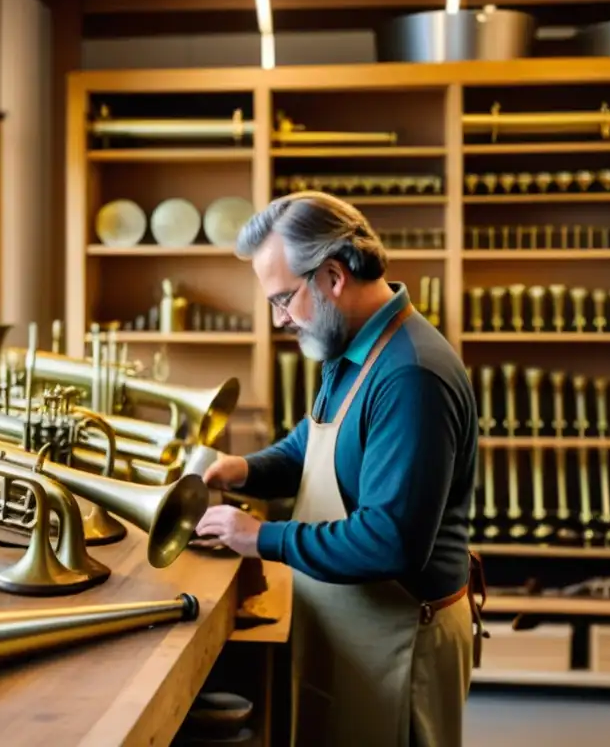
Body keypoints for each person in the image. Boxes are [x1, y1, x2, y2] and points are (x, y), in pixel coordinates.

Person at [193, 190, 483, 747]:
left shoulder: (411, 375)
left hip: (398, 643)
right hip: (351, 630)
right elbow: (309, 448)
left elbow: (391, 541)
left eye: (283, 299)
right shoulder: (349, 349)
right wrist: (240, 470)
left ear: (332, 276)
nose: (280, 320)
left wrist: (262, 537)